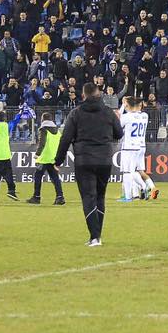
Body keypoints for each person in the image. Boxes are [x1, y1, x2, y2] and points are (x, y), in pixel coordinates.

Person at [55, 82, 123, 247]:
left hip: (84, 160)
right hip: (105, 160)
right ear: (99, 94)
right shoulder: (108, 112)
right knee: (100, 196)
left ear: (83, 95)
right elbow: (119, 133)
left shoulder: (76, 113)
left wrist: (58, 160)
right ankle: (97, 236)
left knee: (88, 197)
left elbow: (66, 138)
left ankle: (95, 237)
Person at [118, 97, 157, 202]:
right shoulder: (144, 116)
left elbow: (117, 125)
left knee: (127, 172)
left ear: (127, 105)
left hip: (128, 147)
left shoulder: (126, 117)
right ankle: (146, 188)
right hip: (139, 146)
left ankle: (128, 197)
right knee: (136, 171)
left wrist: (122, 106)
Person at [26, 114, 65, 205]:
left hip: (44, 158)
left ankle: (36, 197)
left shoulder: (43, 129)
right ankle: (60, 197)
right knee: (55, 178)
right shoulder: (58, 131)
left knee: (38, 177)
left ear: (43, 120)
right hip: (53, 158)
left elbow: (42, 142)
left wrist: (37, 154)